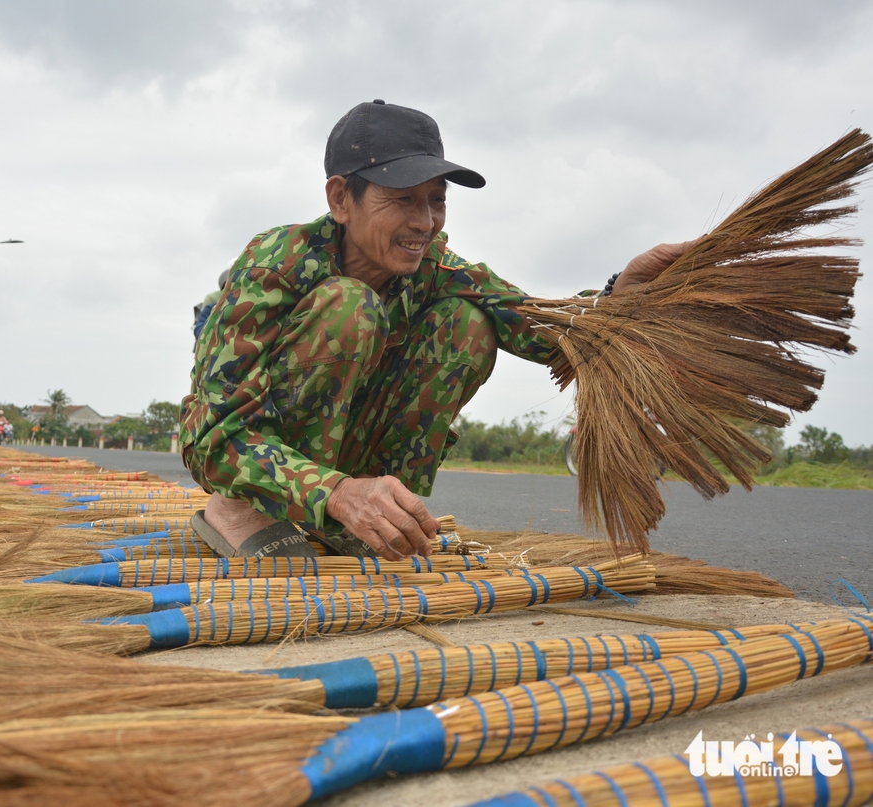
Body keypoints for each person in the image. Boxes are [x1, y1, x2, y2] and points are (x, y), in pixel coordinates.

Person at [181, 100, 694, 561]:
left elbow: (536, 324)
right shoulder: (273, 267)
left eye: (436, 200)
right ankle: (242, 508)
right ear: (341, 199)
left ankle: (375, 504)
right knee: (350, 307)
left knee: (469, 324)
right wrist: (335, 493)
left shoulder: (435, 268)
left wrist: (620, 296)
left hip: (342, 467)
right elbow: (213, 439)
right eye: (403, 199)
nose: (425, 222)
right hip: (255, 456)